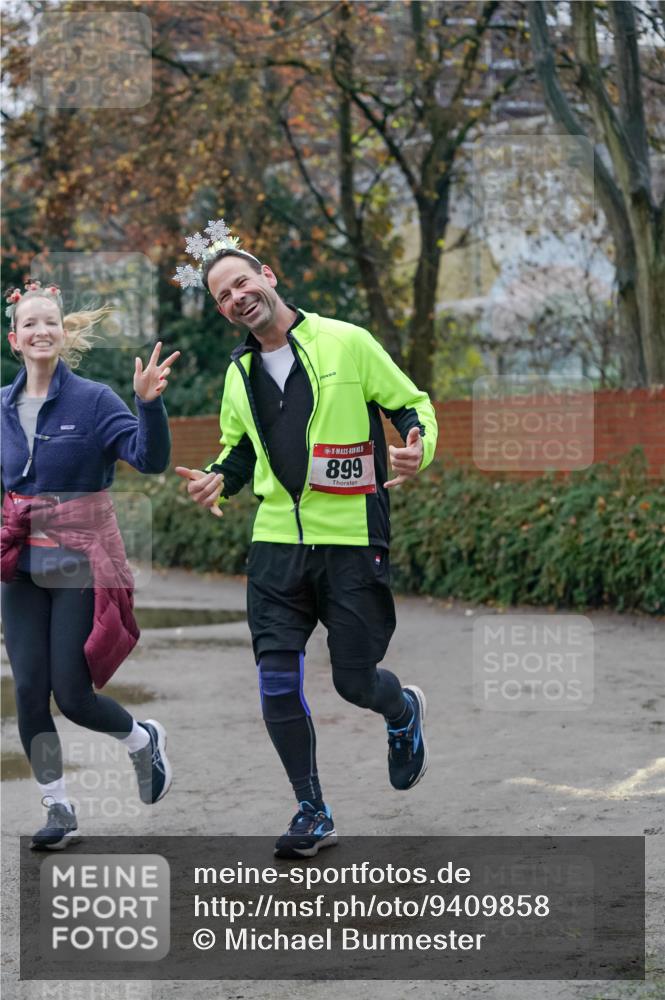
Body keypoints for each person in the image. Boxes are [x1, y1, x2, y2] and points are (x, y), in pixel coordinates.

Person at [174, 223, 437, 859]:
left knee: (354, 682)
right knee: (275, 681)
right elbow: (240, 452)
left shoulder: (347, 341)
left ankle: (400, 711)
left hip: (350, 539)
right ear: (220, 310)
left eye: (242, 281)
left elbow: (410, 405)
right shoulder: (238, 373)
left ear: (267, 276)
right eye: (222, 295)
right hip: (275, 547)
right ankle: (311, 810)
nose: (236, 297)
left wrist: (416, 448)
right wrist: (217, 480)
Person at [1, 280, 179, 850]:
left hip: (78, 563)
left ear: (62, 331)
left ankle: (141, 740)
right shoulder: (1, 408)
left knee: (73, 695)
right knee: (29, 692)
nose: (40, 331)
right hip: (20, 569)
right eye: (30, 324)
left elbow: (149, 460)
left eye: (49, 321)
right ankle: (58, 808)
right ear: (15, 339)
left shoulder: (95, 400)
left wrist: (149, 404)